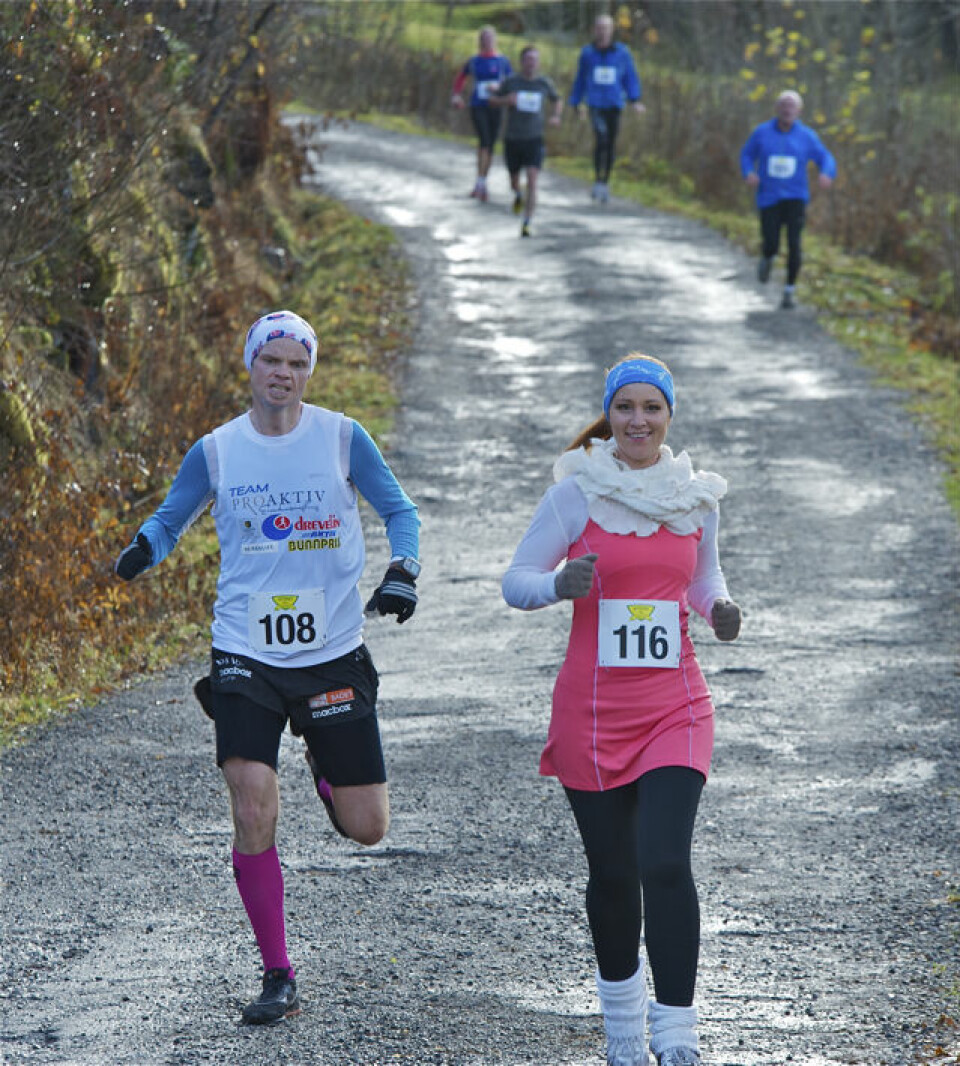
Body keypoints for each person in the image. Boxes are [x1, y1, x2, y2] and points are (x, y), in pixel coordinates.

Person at [114, 309, 421, 1025]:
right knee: (252, 798)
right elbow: (170, 519)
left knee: (367, 825)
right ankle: (277, 971)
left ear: (309, 372)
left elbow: (400, 511)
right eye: (270, 359)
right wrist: (142, 551)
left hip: (332, 652)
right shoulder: (218, 451)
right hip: (245, 649)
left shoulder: (343, 438)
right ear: (249, 366)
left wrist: (403, 570)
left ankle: (319, 756)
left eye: (296, 362)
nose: (282, 372)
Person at [502, 355, 741, 1066]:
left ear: (670, 416)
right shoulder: (576, 496)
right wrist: (557, 583)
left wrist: (719, 608)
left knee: (664, 862)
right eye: (626, 408)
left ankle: (677, 1036)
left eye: (652, 408)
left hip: (677, 705)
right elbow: (515, 581)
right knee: (613, 876)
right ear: (610, 415)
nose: (638, 420)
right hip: (594, 712)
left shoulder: (695, 498)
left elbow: (703, 579)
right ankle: (623, 1036)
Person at [740, 89, 836, 309]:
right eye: (783, 105)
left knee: (794, 244)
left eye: (791, 106)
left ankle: (789, 291)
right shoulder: (762, 132)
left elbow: (825, 157)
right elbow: (747, 155)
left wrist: (826, 172)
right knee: (771, 241)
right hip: (769, 197)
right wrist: (749, 172)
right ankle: (768, 257)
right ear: (777, 109)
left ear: (799, 111)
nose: (787, 110)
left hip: (795, 197)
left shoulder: (807, 136)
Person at [569, 13, 645, 203]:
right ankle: (597, 180)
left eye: (606, 28)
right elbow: (580, 79)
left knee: (610, 143)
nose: (602, 32)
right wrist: (576, 102)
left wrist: (635, 100)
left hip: (614, 103)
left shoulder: (622, 53)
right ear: (594, 30)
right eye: (599, 28)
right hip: (595, 103)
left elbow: (629, 77)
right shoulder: (587, 53)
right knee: (600, 137)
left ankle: (605, 182)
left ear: (612, 31)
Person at [489, 44, 563, 237]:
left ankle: (527, 221)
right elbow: (492, 100)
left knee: (532, 178)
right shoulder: (511, 82)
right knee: (514, 181)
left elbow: (557, 100)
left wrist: (556, 116)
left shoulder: (544, 83)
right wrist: (507, 101)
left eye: (534, 60)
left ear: (538, 63)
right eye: (528, 60)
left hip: (534, 138)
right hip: (513, 138)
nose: (531, 64)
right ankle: (518, 194)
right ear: (522, 62)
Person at [451, 25, 513, 202]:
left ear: (495, 40)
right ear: (480, 41)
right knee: (484, 141)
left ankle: (482, 182)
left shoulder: (502, 61)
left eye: (490, 39)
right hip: (478, 105)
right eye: (484, 39)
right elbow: (461, 78)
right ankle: (479, 182)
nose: (487, 42)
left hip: (496, 106)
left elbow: (512, 82)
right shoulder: (474, 61)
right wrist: (456, 96)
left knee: (491, 145)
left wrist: (500, 88)